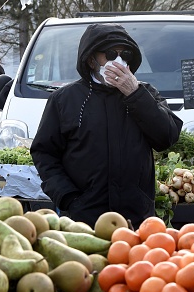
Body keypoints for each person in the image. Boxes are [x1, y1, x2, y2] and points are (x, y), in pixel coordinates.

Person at [30, 23, 183, 228]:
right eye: (110, 54)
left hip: (137, 218)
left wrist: (134, 94)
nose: (119, 61)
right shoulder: (65, 99)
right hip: (84, 218)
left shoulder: (146, 94)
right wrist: (68, 198)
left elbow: (167, 137)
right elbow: (44, 153)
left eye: (125, 55)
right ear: (91, 60)